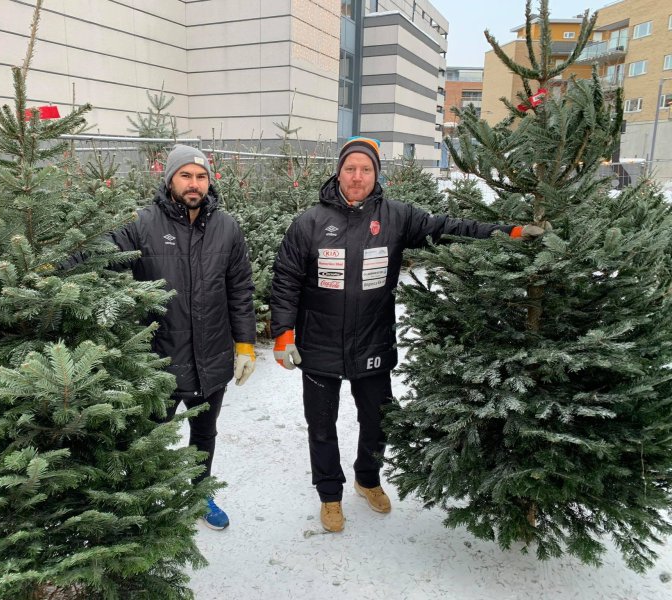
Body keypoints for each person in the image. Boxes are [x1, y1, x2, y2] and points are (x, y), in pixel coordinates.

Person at [270, 136, 543, 533]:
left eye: (365, 169)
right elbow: (286, 279)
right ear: (339, 172)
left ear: (376, 174)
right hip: (319, 345)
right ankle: (330, 495)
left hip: (373, 341)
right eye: (350, 168)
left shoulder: (397, 217)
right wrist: (283, 332)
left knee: (379, 420)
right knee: (321, 424)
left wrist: (509, 231)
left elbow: (451, 228)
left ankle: (367, 479)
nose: (357, 176)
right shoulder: (310, 223)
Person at [72, 144, 257, 530]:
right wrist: (46, 263)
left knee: (205, 432)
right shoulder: (142, 223)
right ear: (170, 178)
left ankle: (199, 492)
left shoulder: (227, 227)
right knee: (151, 436)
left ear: (210, 181)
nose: (194, 184)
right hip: (160, 358)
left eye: (201, 176)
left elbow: (240, 290)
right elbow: (96, 252)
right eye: (186, 175)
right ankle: (145, 500)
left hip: (212, 357)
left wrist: (244, 345)